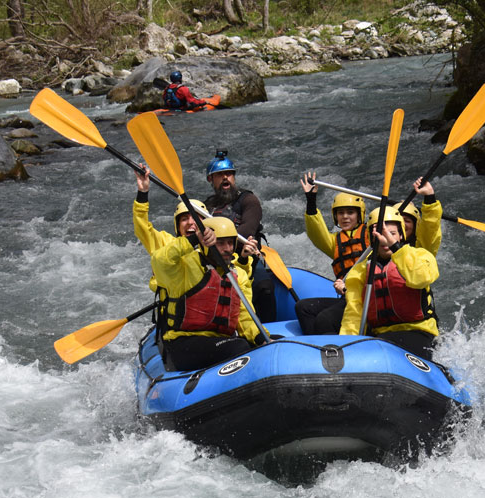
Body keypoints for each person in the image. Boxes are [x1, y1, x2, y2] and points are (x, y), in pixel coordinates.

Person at [132, 170, 265, 371]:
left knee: (252, 342)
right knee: (239, 347)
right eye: (184, 219)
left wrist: (261, 338)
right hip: (183, 335)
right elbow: (160, 257)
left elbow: (244, 314)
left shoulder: (235, 272)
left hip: (216, 338)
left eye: (230, 243)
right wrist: (143, 194)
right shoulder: (181, 261)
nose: (190, 223)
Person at [339, 205, 439, 361]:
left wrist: (396, 247)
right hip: (381, 334)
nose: (385, 239)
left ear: (401, 235)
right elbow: (354, 314)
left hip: (418, 332)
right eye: (380, 234)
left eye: (392, 234)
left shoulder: (420, 255)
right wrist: (348, 345)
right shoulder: (360, 271)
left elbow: (420, 278)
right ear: (371, 238)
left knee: (387, 345)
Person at [293, 172, 371, 335]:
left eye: (350, 212)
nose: (345, 217)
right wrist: (311, 200)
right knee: (303, 307)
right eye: (341, 213)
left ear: (359, 214)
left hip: (365, 299)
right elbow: (316, 233)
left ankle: (333, 352)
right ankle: (315, 346)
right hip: (345, 298)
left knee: (325, 318)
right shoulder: (335, 242)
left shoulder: (372, 236)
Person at [203, 149, 277, 322]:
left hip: (247, 257)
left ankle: (269, 329)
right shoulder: (206, 206)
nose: (225, 178)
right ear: (210, 179)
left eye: (229, 173)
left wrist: (218, 241)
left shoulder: (248, 200)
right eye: (220, 174)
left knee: (265, 287)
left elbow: (248, 230)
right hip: (215, 259)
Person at [394, 177, 443, 255]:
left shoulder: (422, 249)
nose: (402, 224)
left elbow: (429, 227)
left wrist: (429, 197)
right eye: (399, 220)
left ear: (414, 227)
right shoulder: (378, 244)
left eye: (407, 221)